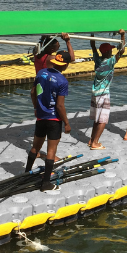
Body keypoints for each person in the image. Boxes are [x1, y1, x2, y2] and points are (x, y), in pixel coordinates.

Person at [26, 34, 75, 191]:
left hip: (40, 116)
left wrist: (36, 107)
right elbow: (60, 106)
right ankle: (46, 183)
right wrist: (67, 123)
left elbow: (33, 92)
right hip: (54, 119)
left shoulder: (41, 73)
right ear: (65, 65)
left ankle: (26, 173)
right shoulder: (62, 81)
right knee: (51, 151)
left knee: (35, 147)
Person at [88, 30, 126, 150]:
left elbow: (93, 46)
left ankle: (91, 140)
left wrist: (92, 34)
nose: (112, 51)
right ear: (107, 52)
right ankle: (95, 143)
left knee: (96, 119)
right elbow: (122, 50)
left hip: (95, 93)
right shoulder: (110, 62)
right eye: (110, 50)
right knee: (103, 120)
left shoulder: (97, 60)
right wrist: (123, 35)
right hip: (103, 94)